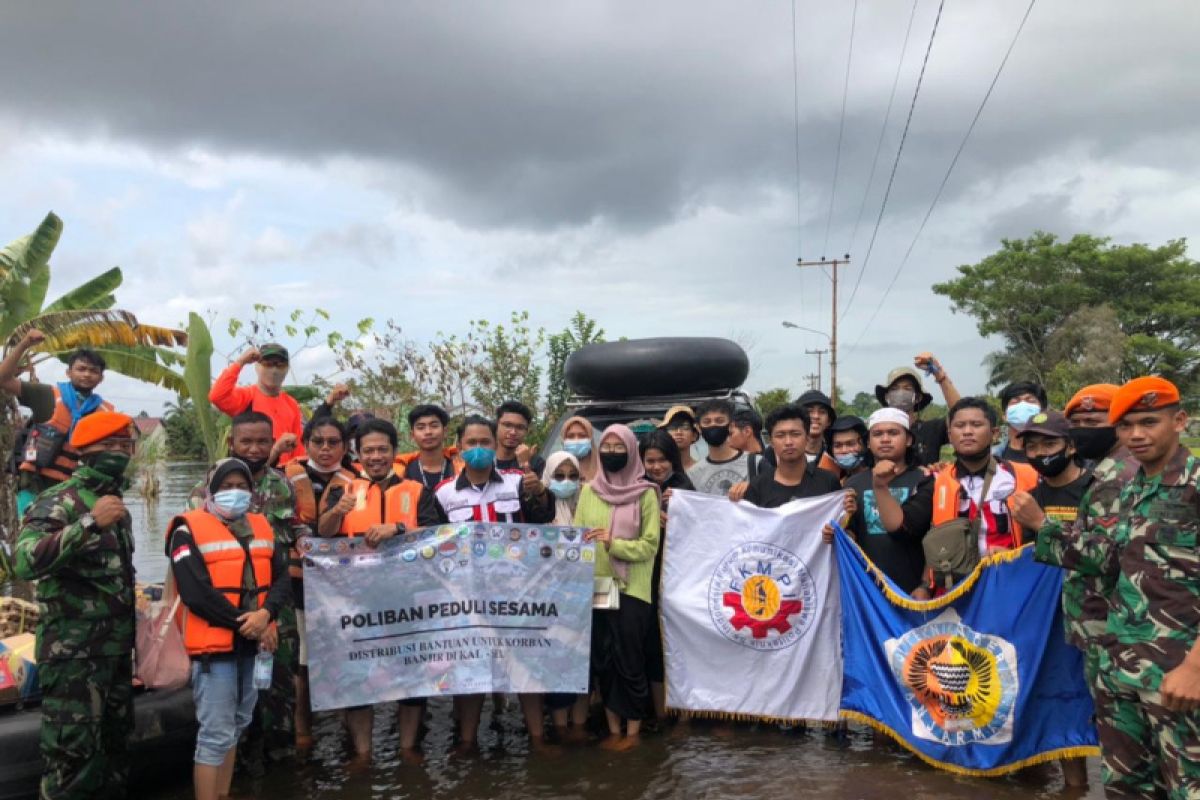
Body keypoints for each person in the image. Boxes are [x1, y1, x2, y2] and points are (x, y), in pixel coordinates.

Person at [1030, 377, 1200, 798]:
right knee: (1127, 786)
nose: (1136, 435)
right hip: (1119, 667)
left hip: (1181, 673)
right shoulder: (1127, 487)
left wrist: (1195, 668)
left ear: (1179, 421)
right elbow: (1107, 563)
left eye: (1148, 422)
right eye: (1125, 426)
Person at [13, 411, 138, 800]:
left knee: (114, 756)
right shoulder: (62, 500)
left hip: (116, 654)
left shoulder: (116, 504)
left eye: (124, 445)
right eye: (108, 446)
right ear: (84, 452)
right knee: (72, 761)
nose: (118, 452)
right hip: (72, 658)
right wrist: (89, 525)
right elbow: (24, 560)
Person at [317, 418, 443, 762]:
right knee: (357, 676)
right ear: (358, 454)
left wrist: (398, 528)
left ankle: (407, 748)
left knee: (413, 676)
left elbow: (438, 537)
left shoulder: (417, 491)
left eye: (382, 449)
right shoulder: (342, 490)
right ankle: (362, 752)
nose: (375, 456)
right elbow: (322, 535)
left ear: (393, 452)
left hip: (408, 600)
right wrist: (334, 514)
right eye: (368, 450)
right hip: (356, 601)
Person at [187, 411, 305, 773]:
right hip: (226, 612)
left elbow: (292, 528)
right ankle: (233, 767)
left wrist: (304, 540)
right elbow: (190, 555)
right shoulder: (204, 491)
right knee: (231, 698)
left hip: (275, 605)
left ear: (273, 444)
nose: (254, 449)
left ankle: (279, 757)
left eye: (262, 442)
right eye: (246, 442)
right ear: (231, 443)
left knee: (278, 680)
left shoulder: (282, 484)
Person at [168, 458, 289, 800]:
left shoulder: (262, 527)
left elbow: (280, 579)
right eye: (226, 486)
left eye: (241, 486)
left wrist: (265, 614)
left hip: (254, 645)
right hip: (215, 651)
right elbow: (195, 593)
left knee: (237, 725)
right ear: (211, 490)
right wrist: (248, 623)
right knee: (215, 733)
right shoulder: (186, 530)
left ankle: (223, 794)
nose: (234, 493)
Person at [432, 415, 554, 754]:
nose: (480, 449)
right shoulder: (443, 494)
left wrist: (540, 493)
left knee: (526, 667)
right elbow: (431, 543)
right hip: (468, 599)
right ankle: (468, 743)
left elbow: (543, 519)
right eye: (472, 443)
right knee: (470, 670)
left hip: (518, 593)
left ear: (495, 443)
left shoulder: (518, 482)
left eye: (486, 442)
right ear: (459, 448)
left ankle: (538, 739)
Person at [1003, 410, 1094, 788]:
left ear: (1071, 447)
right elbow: (1026, 557)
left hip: (1096, 617)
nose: (1041, 453)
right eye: (1033, 446)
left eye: (1050, 444)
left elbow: (1105, 554)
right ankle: (1072, 787)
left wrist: (1042, 523)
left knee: (1101, 710)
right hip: (1048, 619)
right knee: (1054, 699)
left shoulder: (1098, 488)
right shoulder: (1029, 497)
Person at [575, 424, 661, 751]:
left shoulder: (646, 493)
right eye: (606, 447)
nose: (612, 453)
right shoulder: (588, 491)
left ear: (631, 450)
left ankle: (633, 731)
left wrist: (615, 544)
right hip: (597, 587)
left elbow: (650, 545)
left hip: (632, 589)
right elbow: (578, 537)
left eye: (618, 447)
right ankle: (613, 730)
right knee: (604, 660)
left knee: (630, 660)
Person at [281, 416, 356, 749]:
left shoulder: (357, 480)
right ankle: (302, 730)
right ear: (306, 443)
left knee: (344, 651)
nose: (326, 449)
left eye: (333, 442)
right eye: (318, 442)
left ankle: (346, 725)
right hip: (299, 579)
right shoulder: (285, 477)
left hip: (344, 580)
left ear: (344, 445)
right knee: (304, 659)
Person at [923, 397, 1039, 562]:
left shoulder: (1027, 476)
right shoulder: (935, 479)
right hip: (956, 583)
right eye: (959, 426)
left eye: (976, 425)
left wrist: (1014, 555)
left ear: (994, 433)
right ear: (950, 435)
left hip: (1009, 576)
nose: (967, 431)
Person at [839, 409, 933, 597]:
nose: (885, 439)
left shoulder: (925, 479)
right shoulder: (853, 484)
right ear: (867, 442)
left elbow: (935, 536)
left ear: (908, 440)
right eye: (878, 434)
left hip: (913, 591)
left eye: (893, 433)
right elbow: (850, 536)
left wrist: (925, 585)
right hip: (868, 592)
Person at [14, 344, 115, 516]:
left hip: (72, 491)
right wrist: (24, 343)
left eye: (93, 371)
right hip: (35, 485)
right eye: (81, 369)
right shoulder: (46, 395)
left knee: (63, 541)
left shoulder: (105, 412)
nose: (87, 374)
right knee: (32, 537)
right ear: (68, 372)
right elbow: (3, 379)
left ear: (101, 378)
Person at [639, 430, 694, 722]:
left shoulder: (686, 487)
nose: (657, 467)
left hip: (680, 579)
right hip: (645, 579)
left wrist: (681, 513)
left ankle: (684, 716)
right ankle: (660, 714)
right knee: (652, 647)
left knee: (682, 642)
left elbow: (704, 530)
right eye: (650, 460)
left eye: (662, 460)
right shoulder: (635, 490)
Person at [209, 343, 305, 464]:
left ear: (287, 369)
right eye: (268, 365)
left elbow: (298, 447)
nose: (274, 370)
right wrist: (240, 362)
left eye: (280, 365)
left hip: (283, 475)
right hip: (252, 473)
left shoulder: (291, 404)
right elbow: (217, 396)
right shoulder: (246, 397)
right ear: (257, 367)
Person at [741, 403, 842, 508]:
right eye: (780, 435)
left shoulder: (828, 482)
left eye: (795, 434)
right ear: (771, 442)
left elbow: (839, 521)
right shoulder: (757, 487)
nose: (788, 442)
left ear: (807, 437)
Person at [874, 353, 962, 466]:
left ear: (918, 397)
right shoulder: (878, 433)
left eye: (907, 389)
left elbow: (961, 414)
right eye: (895, 389)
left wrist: (939, 374)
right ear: (887, 397)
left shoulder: (931, 429)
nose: (900, 393)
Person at [687, 399, 749, 495]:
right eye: (707, 422)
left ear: (731, 426)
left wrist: (752, 488)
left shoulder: (756, 463)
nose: (713, 425)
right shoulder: (692, 474)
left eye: (719, 421)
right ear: (699, 428)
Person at [396, 404, 461, 491]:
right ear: (412, 435)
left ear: (445, 432)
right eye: (421, 427)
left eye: (434, 426)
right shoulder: (402, 472)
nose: (428, 432)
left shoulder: (460, 469)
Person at [995, 381, 1048, 463]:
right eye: (1015, 402)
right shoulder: (992, 457)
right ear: (1004, 416)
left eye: (1030, 401)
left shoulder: (1057, 454)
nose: (1023, 405)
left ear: (1043, 412)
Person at [828, 415, 870, 483]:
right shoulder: (835, 481)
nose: (844, 450)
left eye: (851, 444)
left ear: (865, 445)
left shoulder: (878, 477)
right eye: (837, 445)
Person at [659, 405, 700, 471]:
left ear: (694, 435)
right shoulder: (658, 470)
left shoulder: (702, 470)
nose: (679, 432)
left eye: (685, 427)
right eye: (673, 427)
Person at [558, 415, 599, 481]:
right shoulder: (555, 469)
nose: (576, 440)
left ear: (590, 439)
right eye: (571, 436)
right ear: (563, 440)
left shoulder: (604, 469)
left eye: (582, 436)